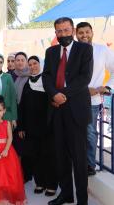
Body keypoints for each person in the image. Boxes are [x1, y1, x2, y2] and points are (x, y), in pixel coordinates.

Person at [43, 17, 93, 205]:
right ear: (55, 33)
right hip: (56, 111)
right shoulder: (51, 51)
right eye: (59, 31)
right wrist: (53, 95)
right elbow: (47, 76)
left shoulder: (85, 49)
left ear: (72, 30)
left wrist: (61, 95)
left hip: (76, 111)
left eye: (66, 30)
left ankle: (82, 200)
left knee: (79, 159)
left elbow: (84, 78)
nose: (63, 34)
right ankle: (66, 195)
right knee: (61, 155)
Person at [75, 22, 114, 176]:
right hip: (72, 99)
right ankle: (77, 161)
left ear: (92, 32)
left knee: (90, 132)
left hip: (93, 101)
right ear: (76, 34)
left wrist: (107, 87)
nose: (84, 35)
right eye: (81, 33)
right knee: (74, 132)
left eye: (87, 32)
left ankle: (90, 164)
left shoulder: (102, 50)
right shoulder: (71, 51)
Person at [19, 56, 58, 196]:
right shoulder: (27, 83)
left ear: (40, 64)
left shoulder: (48, 81)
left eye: (35, 63)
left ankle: (51, 184)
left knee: (49, 156)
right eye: (30, 64)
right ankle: (40, 182)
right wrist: (22, 127)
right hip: (31, 127)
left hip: (48, 126)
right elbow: (22, 107)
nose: (32, 66)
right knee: (35, 156)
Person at [0, 96, 26, 205]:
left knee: (9, 175)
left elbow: (10, 137)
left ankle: (9, 196)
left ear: (4, 111)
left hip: (7, 152)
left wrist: (6, 150)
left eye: (0, 110)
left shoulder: (7, 123)